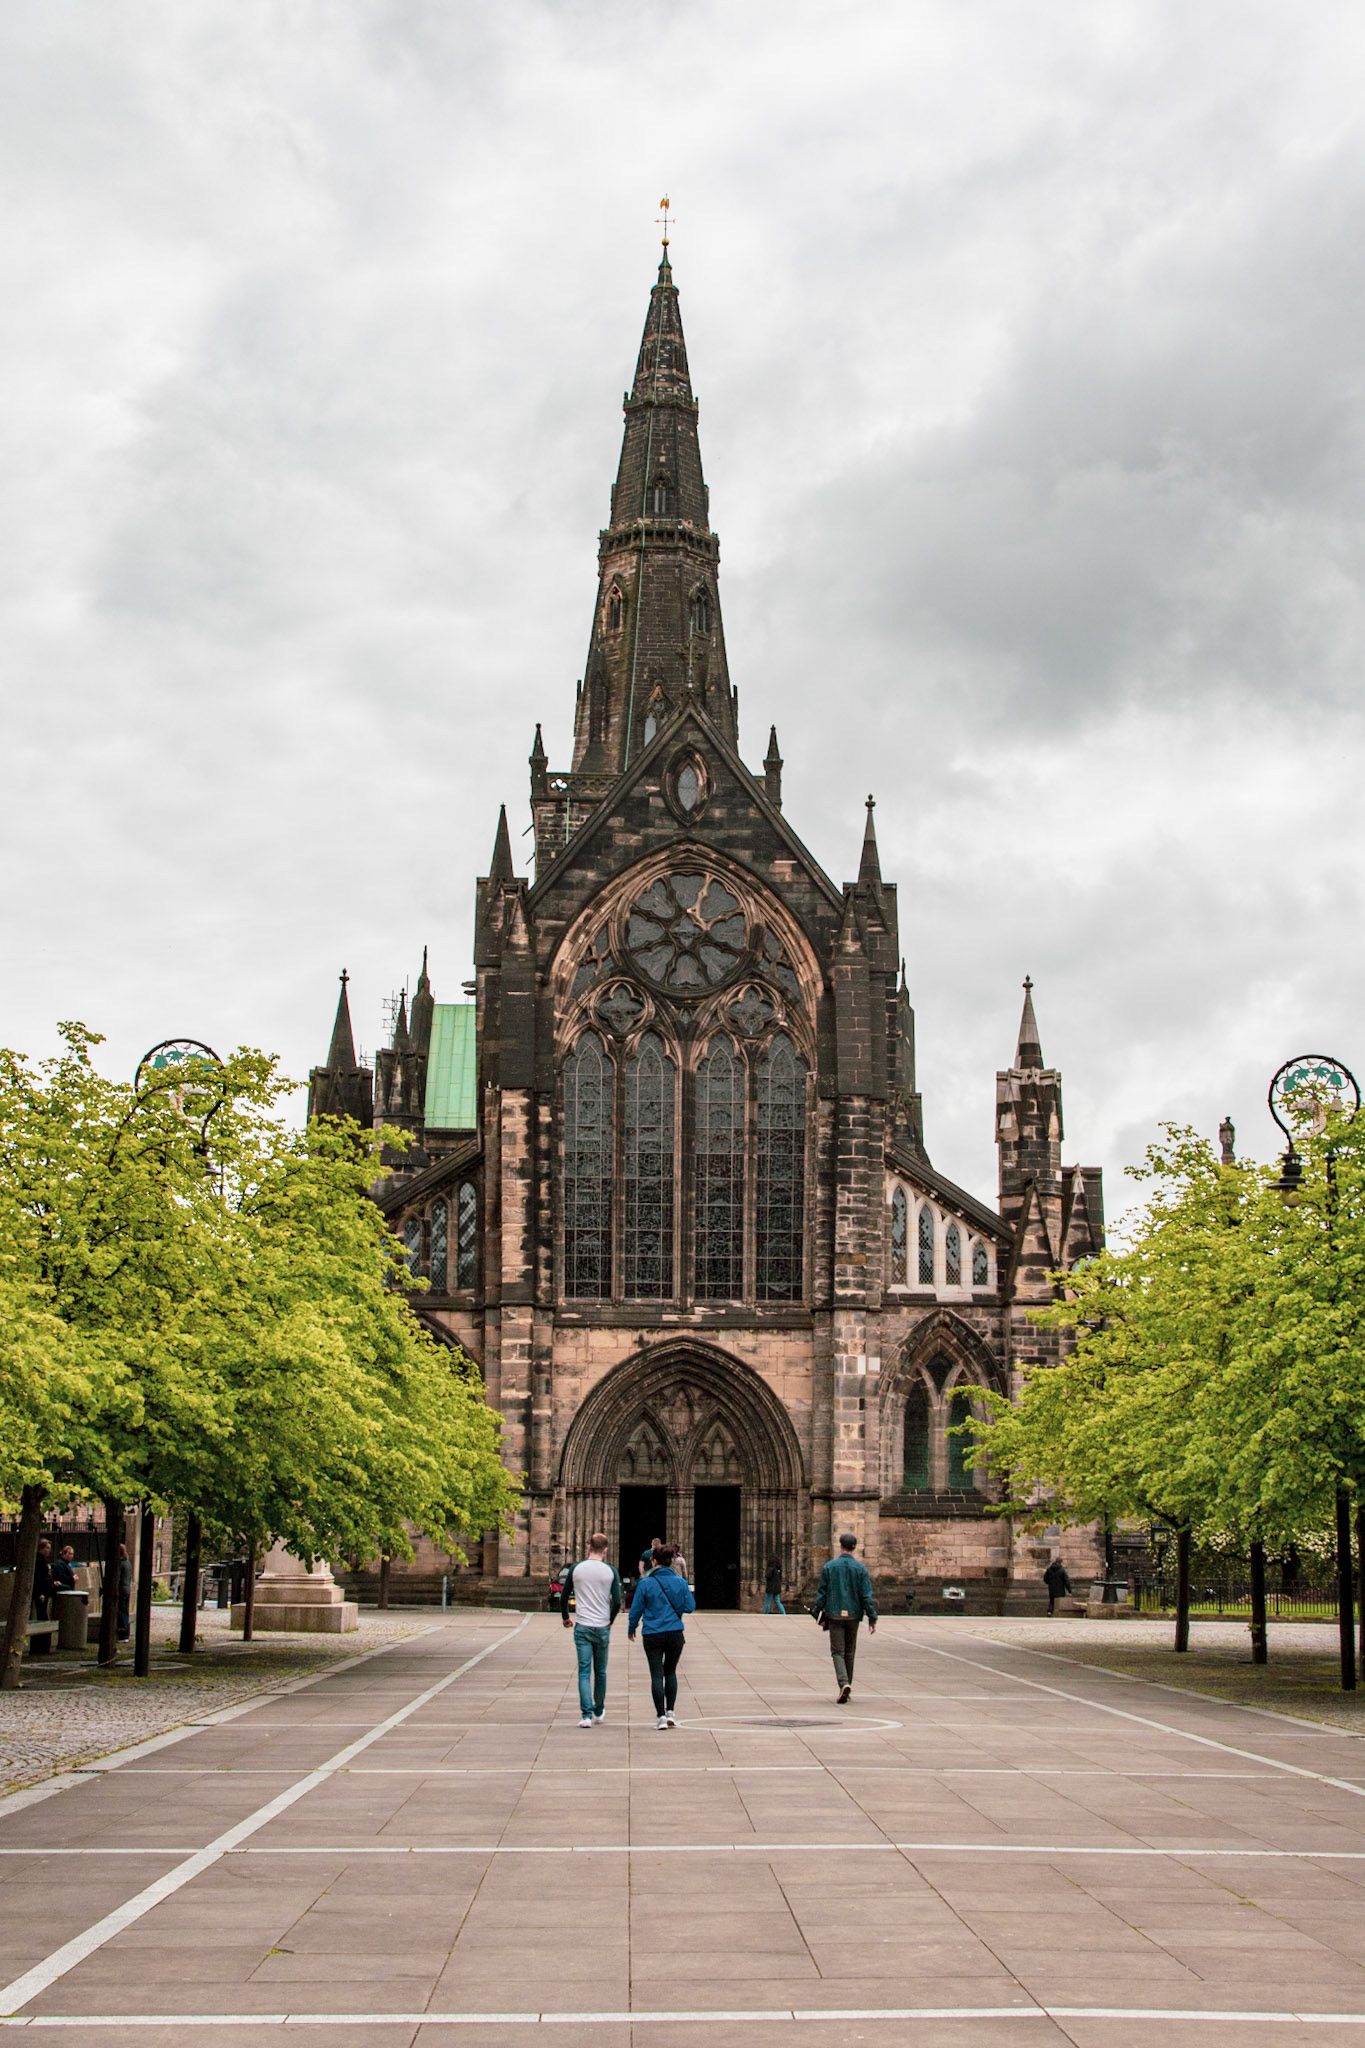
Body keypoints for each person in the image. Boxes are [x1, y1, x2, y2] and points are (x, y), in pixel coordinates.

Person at [628, 1543, 695, 1729]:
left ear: (654, 1561)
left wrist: (631, 1628)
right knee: (670, 1672)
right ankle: (671, 1712)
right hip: (674, 1633)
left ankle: (661, 1717)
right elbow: (690, 1607)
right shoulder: (680, 1583)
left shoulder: (646, 1583)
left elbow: (636, 1610)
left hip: (652, 1634)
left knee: (657, 1675)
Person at [561, 1532, 621, 1727]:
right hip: (602, 1626)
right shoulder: (611, 1570)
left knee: (584, 1671)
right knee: (601, 1671)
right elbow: (618, 1601)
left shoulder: (577, 1569)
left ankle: (586, 1715)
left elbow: (563, 1597)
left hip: (583, 1626)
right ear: (605, 1550)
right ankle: (599, 1709)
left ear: (588, 1547)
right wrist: (610, 1620)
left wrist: (565, 1617)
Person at [813, 1533, 877, 1704]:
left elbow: (822, 1593)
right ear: (854, 1548)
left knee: (837, 1652)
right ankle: (847, 1686)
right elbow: (866, 1596)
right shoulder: (861, 1569)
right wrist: (872, 1617)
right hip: (854, 1615)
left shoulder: (829, 1567)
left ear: (840, 1546)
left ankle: (844, 1683)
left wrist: (817, 1611)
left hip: (834, 1614)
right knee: (849, 1652)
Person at [32, 1539, 55, 1621]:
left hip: (44, 1590)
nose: (49, 1550)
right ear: (42, 1548)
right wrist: (40, 1593)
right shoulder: (39, 1560)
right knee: (41, 1612)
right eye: (47, 1548)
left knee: (42, 1611)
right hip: (41, 1591)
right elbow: (38, 1578)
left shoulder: (43, 1559)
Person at [116, 1543, 132, 1641]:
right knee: (125, 1611)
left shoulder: (120, 1563)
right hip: (127, 1588)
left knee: (121, 1611)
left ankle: (122, 1633)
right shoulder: (127, 1563)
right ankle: (125, 1633)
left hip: (121, 1589)